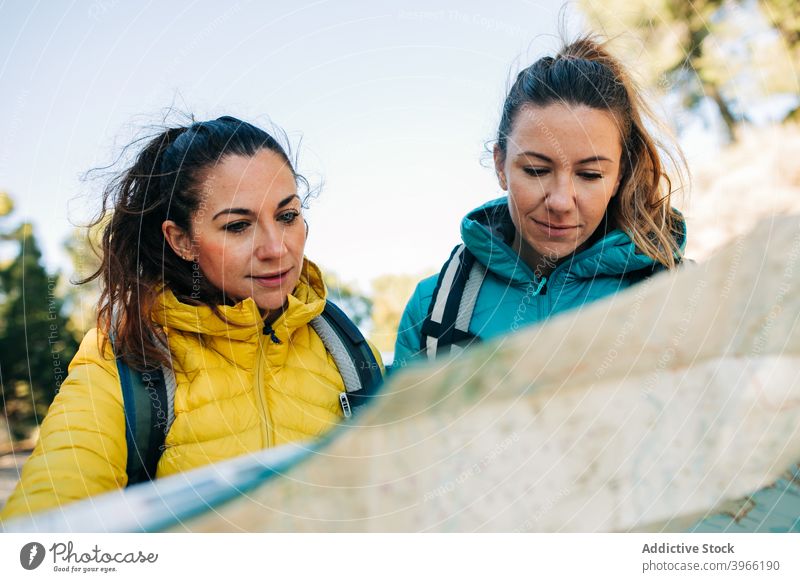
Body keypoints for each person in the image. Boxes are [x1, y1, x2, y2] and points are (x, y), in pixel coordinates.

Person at [1, 116, 382, 520]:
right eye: (238, 226)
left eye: (287, 216)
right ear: (180, 240)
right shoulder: (122, 357)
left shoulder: (344, 346)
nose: (276, 248)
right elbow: (44, 530)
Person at [394, 37, 687, 366]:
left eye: (590, 174)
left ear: (619, 175)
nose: (561, 202)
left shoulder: (684, 294)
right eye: (536, 170)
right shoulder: (431, 309)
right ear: (500, 165)